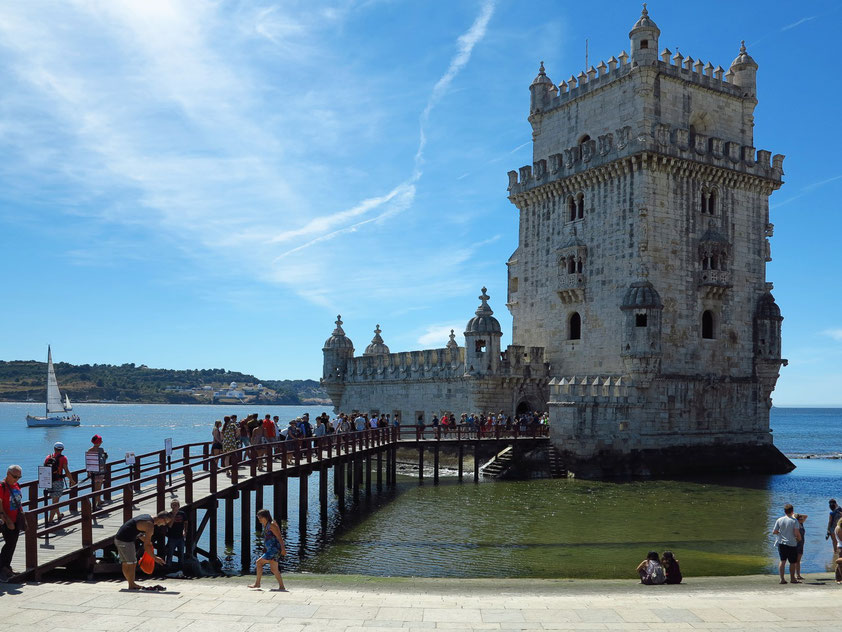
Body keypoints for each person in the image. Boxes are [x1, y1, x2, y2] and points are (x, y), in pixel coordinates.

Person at [114, 512, 170, 590]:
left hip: (121, 538)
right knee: (131, 562)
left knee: (128, 562)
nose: (164, 524)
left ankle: (131, 584)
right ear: (161, 519)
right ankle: (131, 585)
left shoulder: (148, 517)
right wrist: (155, 558)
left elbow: (133, 527)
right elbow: (146, 546)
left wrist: (141, 536)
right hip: (124, 541)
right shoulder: (150, 526)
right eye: (165, 522)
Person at [248, 509, 286, 590]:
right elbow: (268, 537)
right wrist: (265, 547)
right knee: (274, 569)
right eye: (258, 517)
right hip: (270, 549)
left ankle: (257, 584)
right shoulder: (265, 525)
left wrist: (283, 549)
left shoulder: (272, 525)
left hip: (274, 549)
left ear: (266, 517)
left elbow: (279, 537)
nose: (259, 519)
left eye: (260, 517)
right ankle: (282, 586)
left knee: (258, 562)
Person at [0, 465, 24, 581]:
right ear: (8, 473)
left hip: (16, 518)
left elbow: (18, 500)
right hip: (5, 520)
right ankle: (2, 568)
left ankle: (7, 566)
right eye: (15, 476)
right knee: (9, 544)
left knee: (13, 543)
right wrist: (7, 519)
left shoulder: (16, 485)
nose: (16, 479)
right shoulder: (2, 486)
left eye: (19, 477)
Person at [45, 442, 76, 523]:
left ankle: (58, 515)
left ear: (54, 448)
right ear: (62, 449)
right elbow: (66, 471)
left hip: (49, 481)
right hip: (58, 481)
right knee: (55, 502)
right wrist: (71, 480)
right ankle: (50, 521)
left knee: (54, 500)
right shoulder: (63, 458)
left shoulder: (48, 457)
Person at [772, 503, 802, 584]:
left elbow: (774, 532)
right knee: (792, 562)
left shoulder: (779, 519)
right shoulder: (794, 521)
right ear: (792, 511)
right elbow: (796, 533)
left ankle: (782, 579)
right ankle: (792, 578)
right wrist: (799, 539)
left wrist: (780, 533)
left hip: (781, 543)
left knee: (782, 561)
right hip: (791, 543)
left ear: (784, 511)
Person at [86, 435, 108, 510]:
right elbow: (104, 459)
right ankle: (95, 505)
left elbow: (88, 462)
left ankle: (98, 501)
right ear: (99, 442)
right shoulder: (101, 449)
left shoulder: (89, 450)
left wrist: (88, 472)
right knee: (98, 487)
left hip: (93, 471)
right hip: (100, 471)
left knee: (95, 487)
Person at [165, 499, 187, 569]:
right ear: (171, 506)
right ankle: (168, 568)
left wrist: (185, 531)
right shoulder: (169, 515)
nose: (175, 507)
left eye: (176, 505)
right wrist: (174, 515)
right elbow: (170, 525)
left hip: (180, 537)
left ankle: (181, 568)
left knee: (181, 554)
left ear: (179, 506)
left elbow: (186, 522)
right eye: (173, 505)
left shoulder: (182, 514)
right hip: (172, 537)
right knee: (170, 554)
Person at [794, 513, 807, 581]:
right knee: (795, 561)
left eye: (801, 518)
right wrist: (795, 516)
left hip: (801, 544)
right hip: (797, 544)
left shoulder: (801, 524)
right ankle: (794, 575)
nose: (802, 519)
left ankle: (798, 575)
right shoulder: (796, 525)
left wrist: (797, 514)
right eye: (800, 518)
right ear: (797, 520)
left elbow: (806, 516)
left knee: (798, 561)